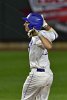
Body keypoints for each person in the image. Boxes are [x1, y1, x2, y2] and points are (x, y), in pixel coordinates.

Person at [21, 13, 58, 100]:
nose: (24, 24)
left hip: (37, 77)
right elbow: (55, 34)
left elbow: (49, 46)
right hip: (48, 76)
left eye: (27, 22)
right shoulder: (44, 33)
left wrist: (38, 35)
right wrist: (45, 25)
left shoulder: (37, 38)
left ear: (32, 25)